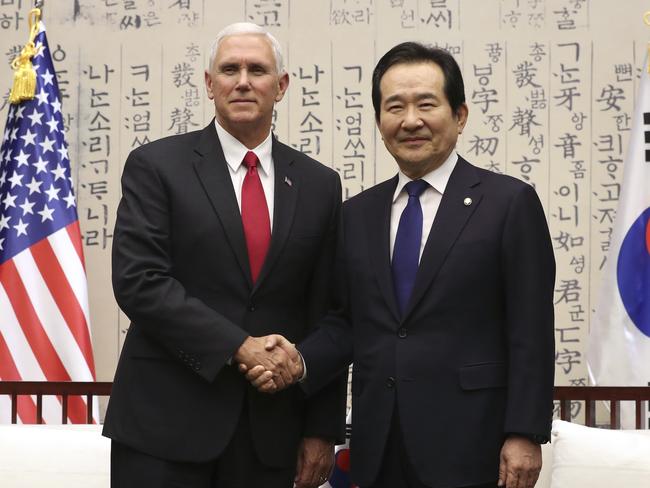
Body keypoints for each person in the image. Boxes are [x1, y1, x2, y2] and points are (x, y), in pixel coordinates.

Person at [246, 42, 555, 488]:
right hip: (378, 445)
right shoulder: (356, 215)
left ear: (460, 115)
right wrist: (297, 360)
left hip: (473, 445)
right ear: (379, 121)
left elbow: (531, 330)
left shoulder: (508, 204)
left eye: (426, 104)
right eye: (395, 107)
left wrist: (525, 433)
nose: (410, 120)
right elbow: (345, 323)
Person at [102, 22, 346, 488]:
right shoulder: (157, 166)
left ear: (282, 86)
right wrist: (238, 345)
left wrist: (321, 428)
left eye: (257, 70)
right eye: (229, 69)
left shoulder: (320, 184)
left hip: (271, 434)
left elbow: (328, 309)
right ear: (209, 84)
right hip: (163, 429)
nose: (243, 80)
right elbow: (140, 280)